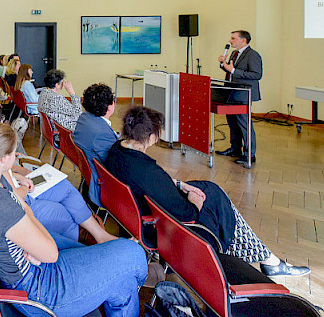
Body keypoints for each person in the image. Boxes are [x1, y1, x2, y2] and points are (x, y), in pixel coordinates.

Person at [0, 122, 147, 317]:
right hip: (42, 291)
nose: (15, 156)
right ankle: (135, 273)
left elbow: (17, 201)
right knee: (133, 253)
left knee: (124, 281)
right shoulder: (1, 206)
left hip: (26, 274)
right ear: (3, 159)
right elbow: (51, 253)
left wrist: (30, 234)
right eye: (13, 153)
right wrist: (28, 217)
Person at [106, 105, 310, 277]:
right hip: (167, 225)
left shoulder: (118, 150)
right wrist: (195, 202)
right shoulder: (148, 172)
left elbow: (153, 182)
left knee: (213, 191)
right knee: (218, 202)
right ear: (151, 137)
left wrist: (179, 184)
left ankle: (265, 257)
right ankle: (264, 259)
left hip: (139, 211)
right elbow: (187, 214)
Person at [0, 101, 114, 243]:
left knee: (65, 188)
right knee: (64, 209)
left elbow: (5, 177)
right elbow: (16, 196)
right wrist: (24, 185)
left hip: (17, 198)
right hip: (21, 206)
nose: (5, 120)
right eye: (1, 118)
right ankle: (81, 241)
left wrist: (17, 175)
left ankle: (96, 235)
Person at [217, 30, 263, 164]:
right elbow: (231, 71)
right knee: (232, 123)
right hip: (231, 93)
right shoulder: (234, 53)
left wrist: (233, 70)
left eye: (233, 38)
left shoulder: (253, 55)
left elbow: (256, 75)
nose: (230, 41)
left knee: (244, 124)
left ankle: (249, 155)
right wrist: (223, 64)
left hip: (243, 94)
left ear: (243, 40)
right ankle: (235, 149)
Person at [73, 83, 119, 207]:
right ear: (110, 107)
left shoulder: (84, 118)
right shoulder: (102, 134)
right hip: (100, 186)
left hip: (87, 178)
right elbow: (115, 165)